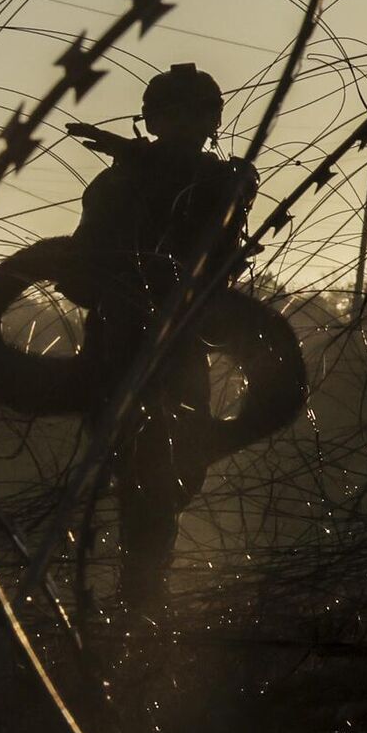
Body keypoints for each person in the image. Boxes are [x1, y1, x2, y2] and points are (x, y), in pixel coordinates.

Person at [60, 64, 259, 615]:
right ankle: (140, 591)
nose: (185, 125)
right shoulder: (133, 183)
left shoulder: (216, 183)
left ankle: (141, 588)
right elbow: (79, 272)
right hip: (132, 344)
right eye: (179, 114)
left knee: (161, 470)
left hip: (163, 344)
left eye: (188, 115)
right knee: (145, 469)